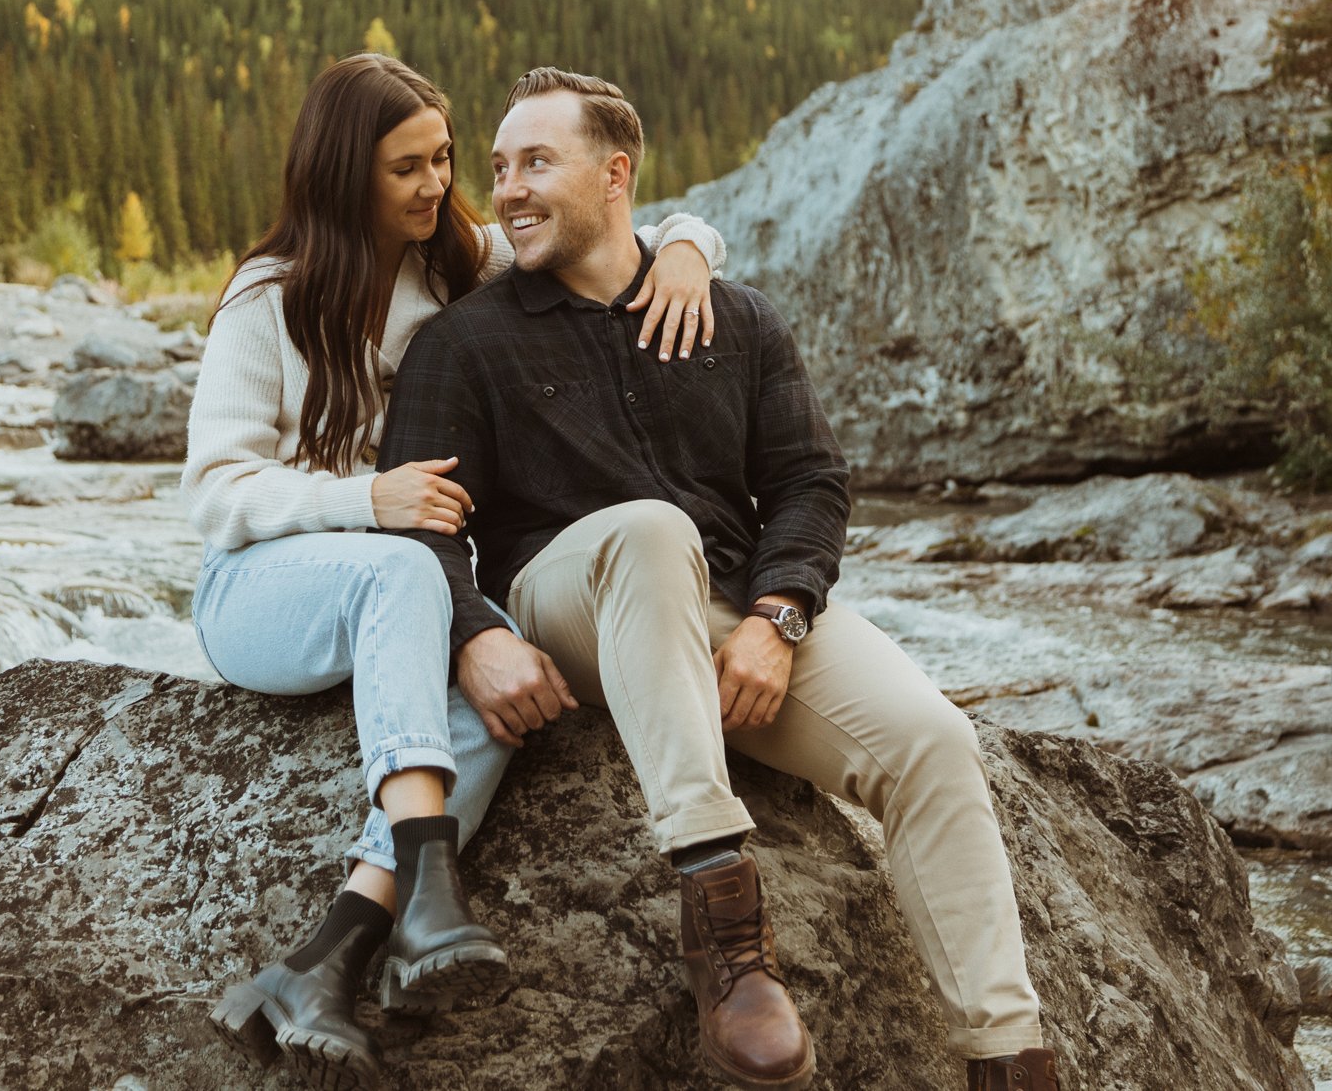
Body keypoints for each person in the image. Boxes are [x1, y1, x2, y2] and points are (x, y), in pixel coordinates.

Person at [375, 67, 1059, 1091]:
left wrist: (777, 617)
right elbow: (419, 527)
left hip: (729, 602)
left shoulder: (736, 318)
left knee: (930, 742)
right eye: (500, 166)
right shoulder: (463, 343)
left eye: (535, 164)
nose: (505, 190)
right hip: (572, 605)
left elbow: (806, 483)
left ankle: (1007, 1059)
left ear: (615, 175)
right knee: (647, 529)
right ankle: (728, 943)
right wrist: (474, 633)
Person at [180, 53, 729, 1088]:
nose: (436, 185)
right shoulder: (268, 296)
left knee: (506, 684)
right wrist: (364, 502)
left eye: (441, 159)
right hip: (260, 597)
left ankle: (330, 954)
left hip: (399, 599)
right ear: (345, 175)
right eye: (406, 169)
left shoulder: (455, 264)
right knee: (408, 578)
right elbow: (214, 491)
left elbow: (617, 235)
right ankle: (431, 873)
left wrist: (690, 250)